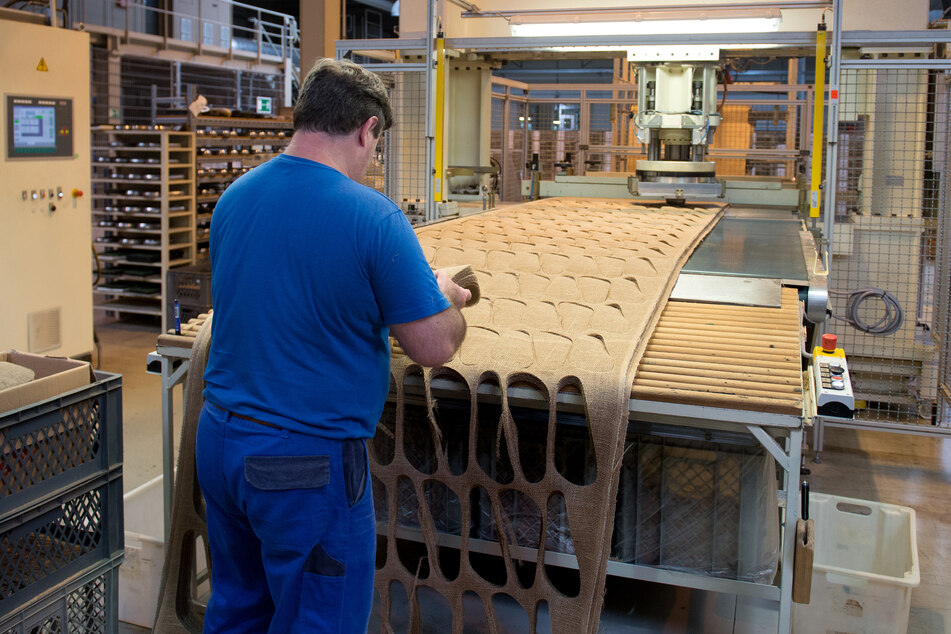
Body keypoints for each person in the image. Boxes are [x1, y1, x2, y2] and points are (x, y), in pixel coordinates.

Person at [196, 57, 470, 633]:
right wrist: (444, 297)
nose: (374, 160)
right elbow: (432, 346)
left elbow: (277, 294)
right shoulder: (372, 217)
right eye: (378, 145)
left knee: (239, 606)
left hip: (220, 442)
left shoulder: (235, 199)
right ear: (368, 129)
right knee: (321, 619)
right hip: (303, 462)